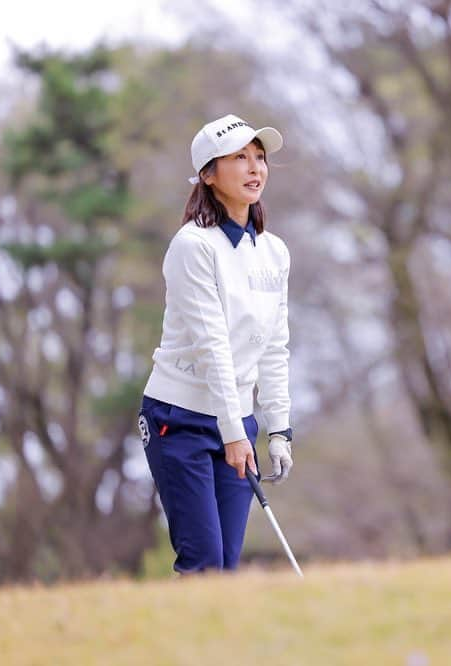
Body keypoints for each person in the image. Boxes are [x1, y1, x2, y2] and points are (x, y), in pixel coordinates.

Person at [137, 113, 294, 574]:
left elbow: (274, 347)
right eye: (239, 158)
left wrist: (279, 430)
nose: (255, 168)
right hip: (178, 420)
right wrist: (233, 432)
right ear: (208, 174)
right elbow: (212, 348)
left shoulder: (274, 252)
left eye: (260, 158)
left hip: (237, 420)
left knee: (227, 564)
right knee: (204, 563)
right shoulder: (193, 247)